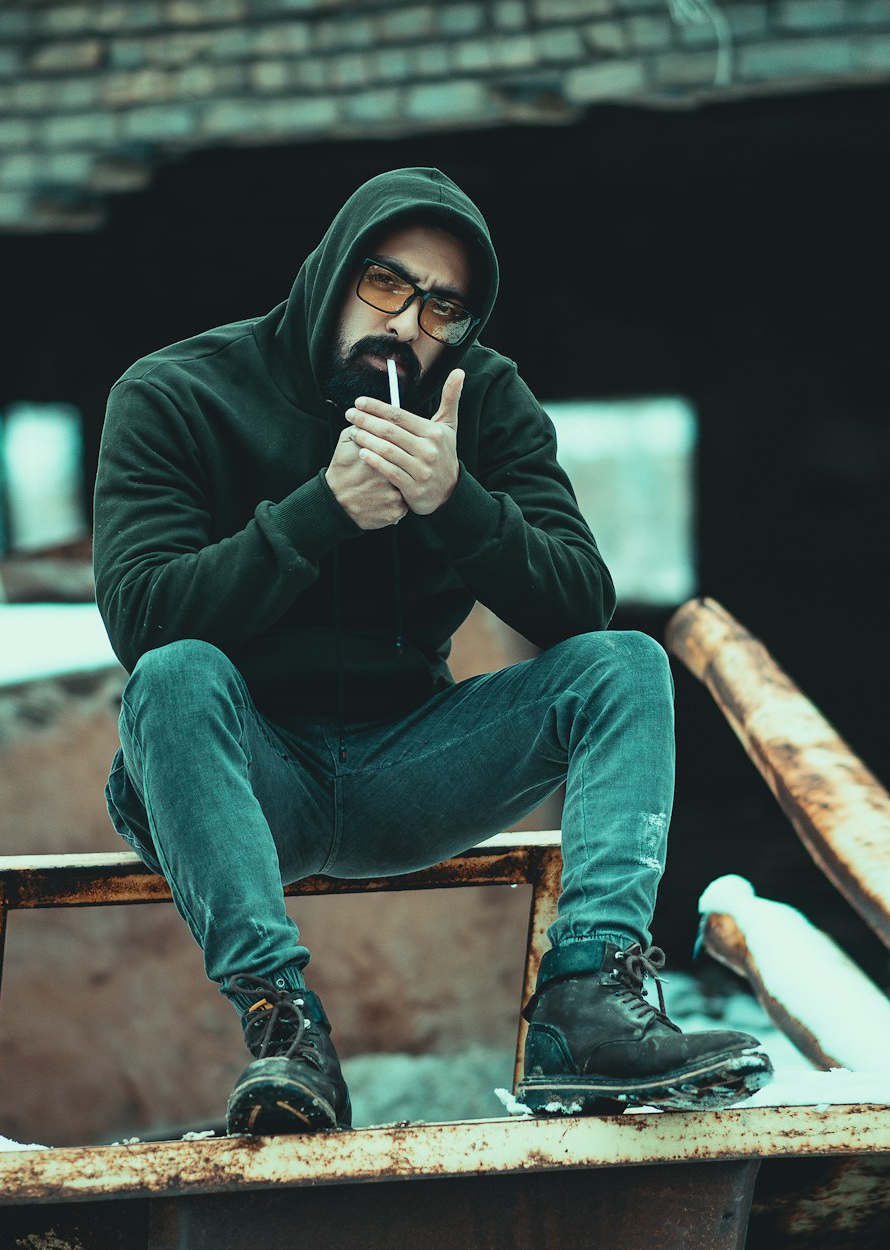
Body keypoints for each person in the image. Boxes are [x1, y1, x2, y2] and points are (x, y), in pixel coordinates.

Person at [93, 167, 772, 1135]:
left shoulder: (483, 399)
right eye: (386, 283)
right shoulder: (175, 391)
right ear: (333, 271)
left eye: (442, 305)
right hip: (243, 782)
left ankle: (587, 1002)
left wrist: (458, 502)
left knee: (624, 662)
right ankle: (284, 1029)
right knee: (176, 671)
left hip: (410, 766)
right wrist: (315, 517)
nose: (407, 322)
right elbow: (142, 621)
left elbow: (581, 601)